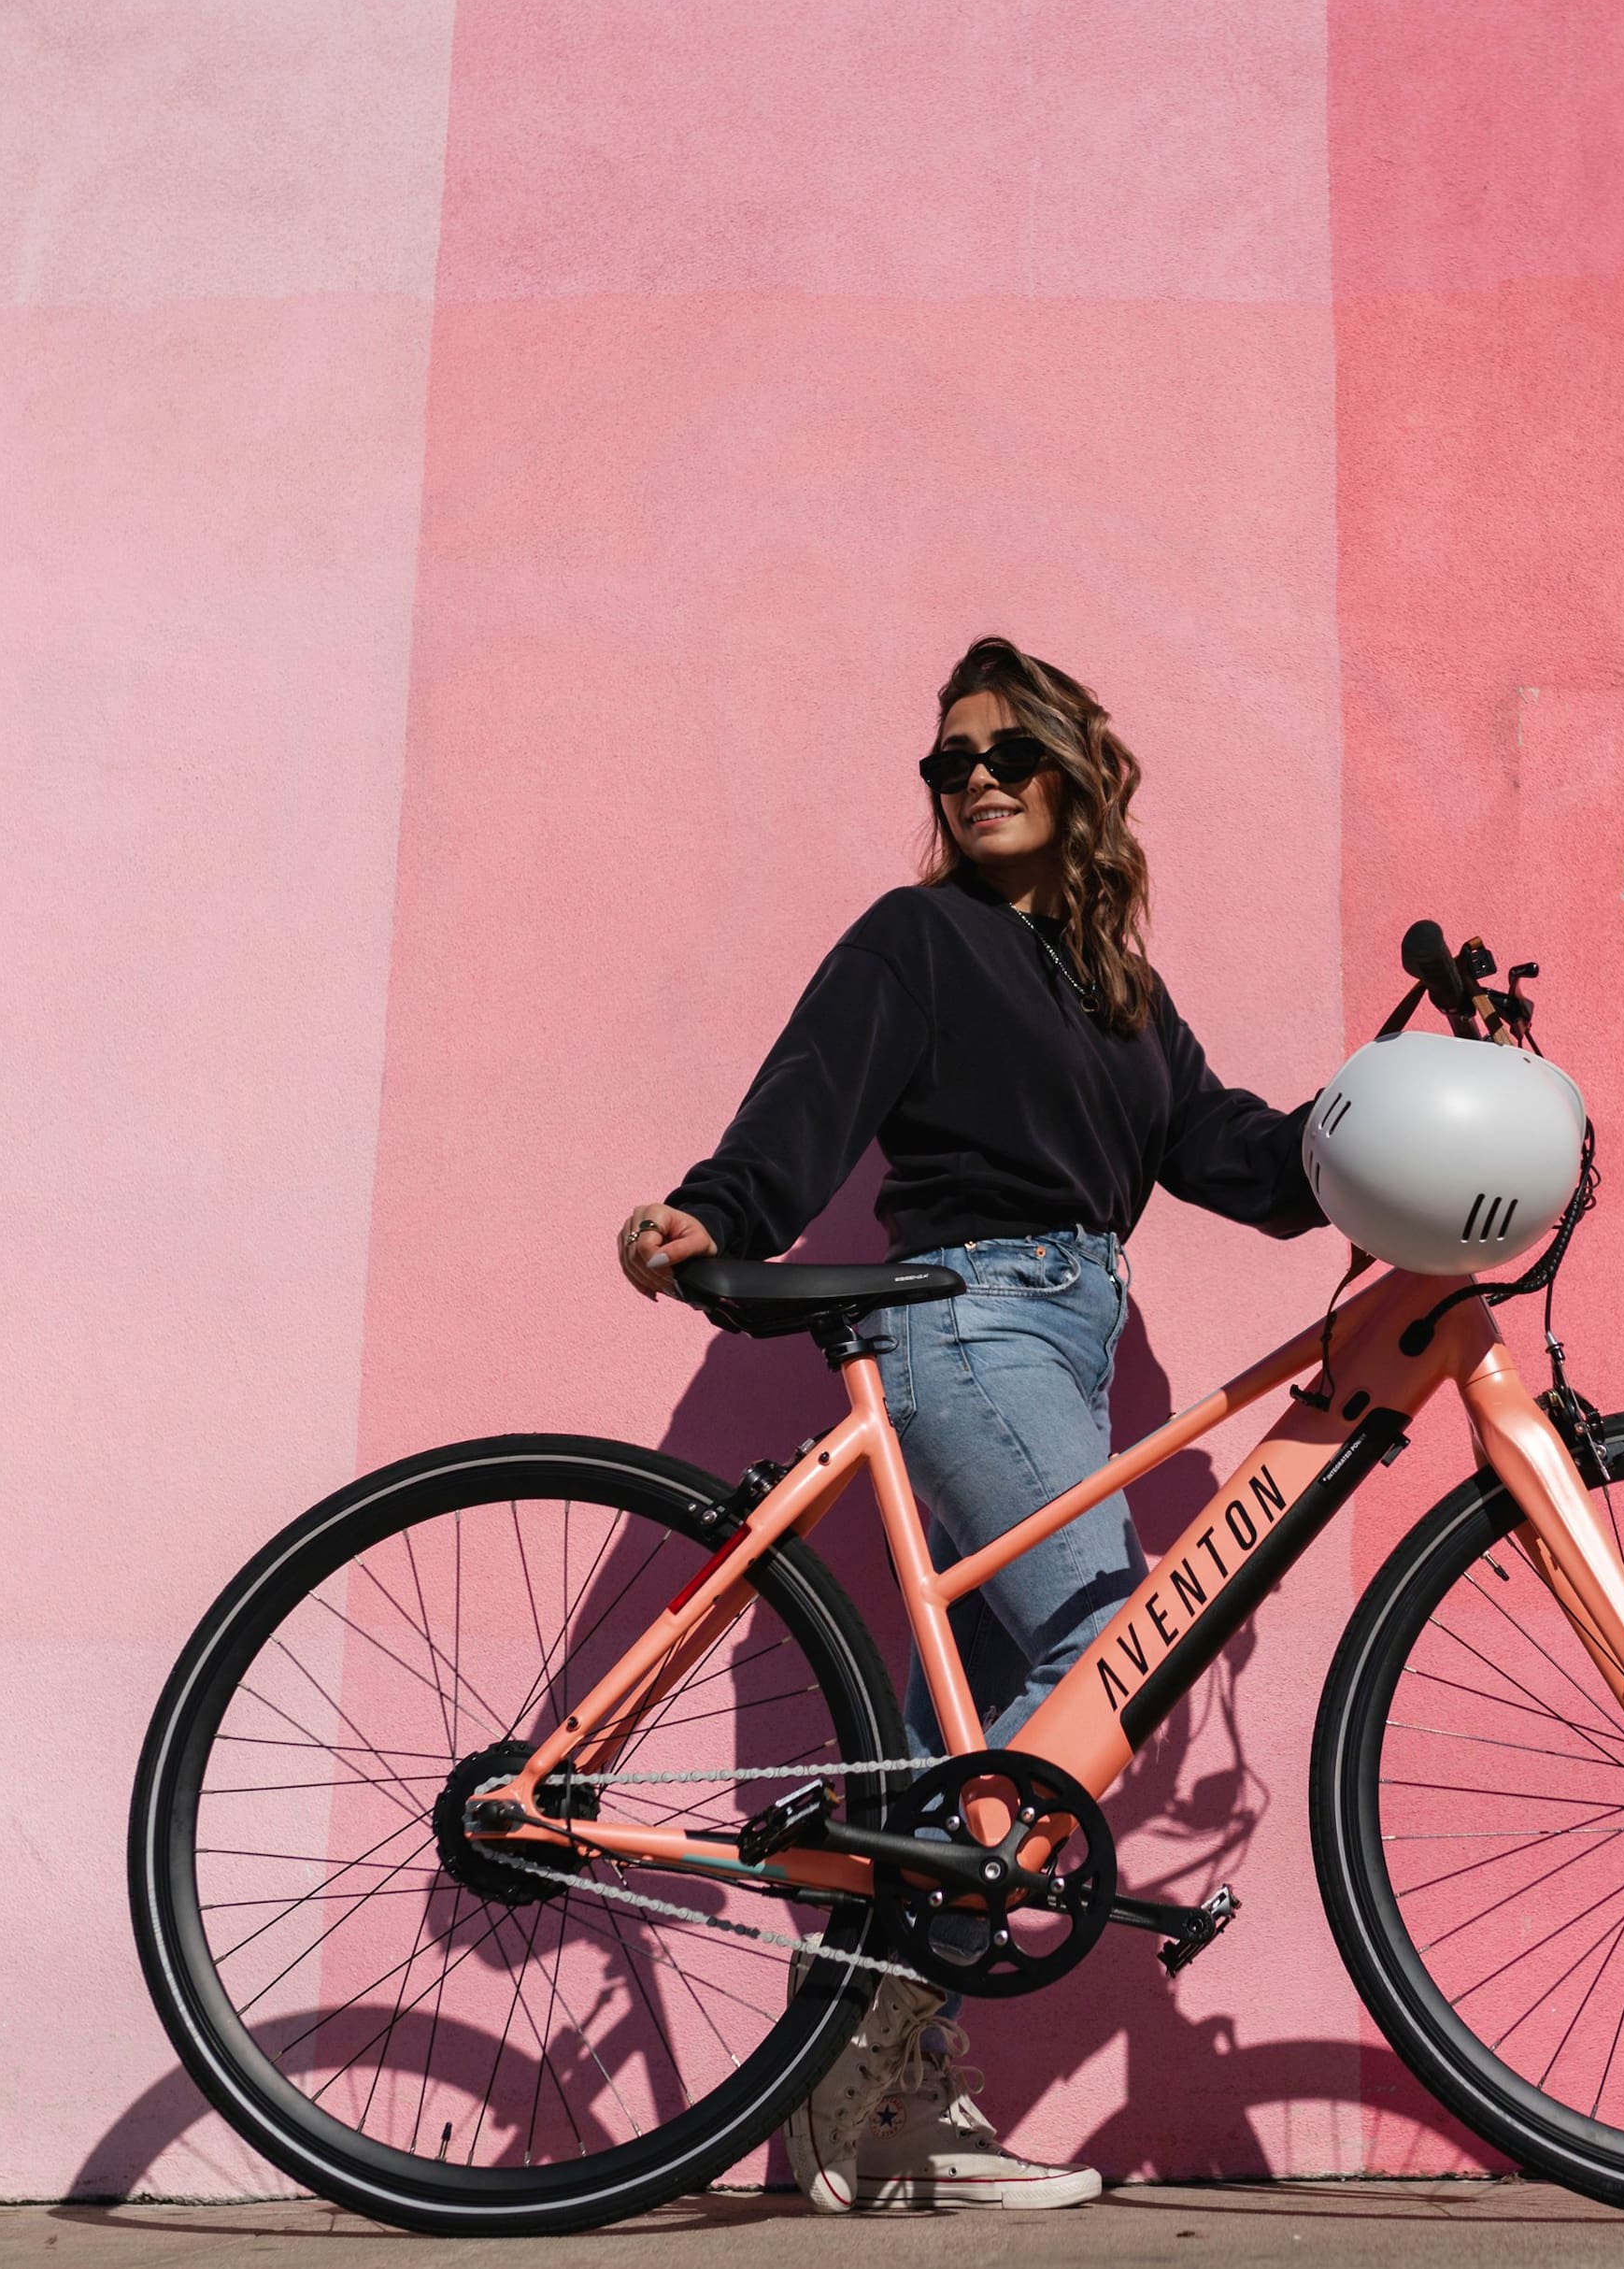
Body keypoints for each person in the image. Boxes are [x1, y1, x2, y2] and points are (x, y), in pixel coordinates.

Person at [613, 636, 1322, 2210]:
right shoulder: (920, 938)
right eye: (952, 760)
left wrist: (1360, 1128)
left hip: (1063, 1335)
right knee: (1111, 1648)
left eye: (1011, 751)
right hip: (968, 1311)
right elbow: (813, 1091)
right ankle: (870, 2036)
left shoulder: (1121, 992)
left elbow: (1228, 1150)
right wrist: (718, 1213)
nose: (980, 777)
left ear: (1083, 777)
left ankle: (885, 2127)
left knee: (981, 1770)